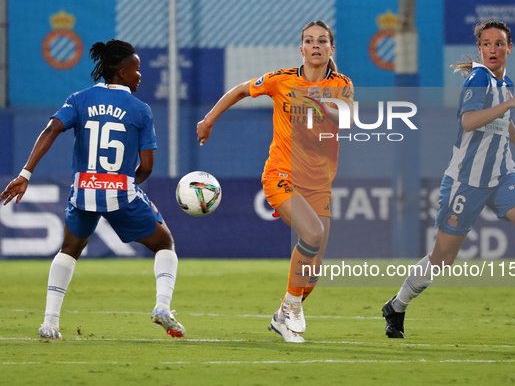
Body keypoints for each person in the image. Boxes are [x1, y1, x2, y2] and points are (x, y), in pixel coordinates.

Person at [382, 20, 515, 338]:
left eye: (499, 43)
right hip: (466, 181)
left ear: (509, 48)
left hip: (502, 176)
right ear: (480, 49)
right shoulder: (479, 78)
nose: (493, 49)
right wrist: (511, 103)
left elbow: (503, 118)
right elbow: (468, 122)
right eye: (487, 44)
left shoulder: (504, 82)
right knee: (442, 258)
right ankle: (396, 306)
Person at [0, 40, 185, 340]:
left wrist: (25, 173)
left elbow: (51, 130)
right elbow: (147, 167)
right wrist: (124, 185)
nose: (140, 75)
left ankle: (49, 323)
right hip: (121, 193)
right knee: (164, 244)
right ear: (122, 73)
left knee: (69, 250)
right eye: (136, 70)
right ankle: (162, 306)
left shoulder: (79, 99)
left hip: (83, 191)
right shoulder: (140, 110)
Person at [197, 21, 354, 343]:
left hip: (319, 184)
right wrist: (209, 119)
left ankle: (283, 314)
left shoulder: (341, 84)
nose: (315, 46)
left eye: (322, 41)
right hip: (281, 175)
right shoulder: (281, 80)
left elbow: (349, 118)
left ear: (331, 49)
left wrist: (323, 102)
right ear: (301, 48)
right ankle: (292, 308)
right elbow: (241, 89)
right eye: (309, 41)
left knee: (312, 271)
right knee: (312, 233)